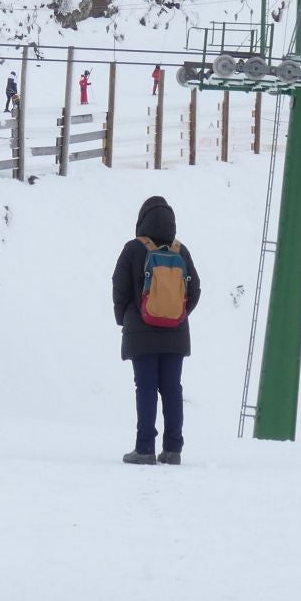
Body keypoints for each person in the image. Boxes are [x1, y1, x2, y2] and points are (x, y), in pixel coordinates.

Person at [111, 196, 200, 465]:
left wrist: (125, 318)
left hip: (141, 333)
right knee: (172, 388)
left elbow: (120, 288)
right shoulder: (180, 251)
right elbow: (194, 290)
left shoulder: (133, 249)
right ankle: (173, 449)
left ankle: (145, 448)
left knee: (146, 388)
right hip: (176, 333)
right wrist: (179, 315)